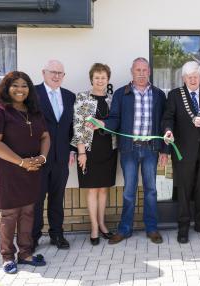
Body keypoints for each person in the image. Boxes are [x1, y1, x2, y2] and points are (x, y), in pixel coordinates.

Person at [91, 57, 169, 244]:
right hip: (129, 149)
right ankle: (125, 229)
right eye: (138, 70)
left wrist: (165, 149)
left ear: (149, 72)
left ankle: (152, 228)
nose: (141, 73)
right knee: (129, 191)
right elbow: (115, 118)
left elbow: (165, 122)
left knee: (151, 190)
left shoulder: (159, 94)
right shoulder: (121, 93)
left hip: (151, 149)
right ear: (132, 72)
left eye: (144, 70)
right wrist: (103, 123)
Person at [0, 71, 49, 274]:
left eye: (24, 86)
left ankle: (26, 254)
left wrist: (42, 158)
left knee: (28, 212)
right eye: (15, 85)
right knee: (10, 214)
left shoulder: (34, 112)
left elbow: (45, 136)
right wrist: (22, 162)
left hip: (31, 169)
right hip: (7, 171)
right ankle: (7, 257)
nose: (20, 89)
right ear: (6, 87)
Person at [162, 61, 200, 244]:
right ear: (183, 78)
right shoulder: (175, 95)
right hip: (183, 151)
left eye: (196, 76)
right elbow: (168, 117)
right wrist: (168, 130)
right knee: (184, 191)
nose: (193, 79)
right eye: (189, 76)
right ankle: (183, 226)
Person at [70, 63, 117, 245]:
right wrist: (81, 152)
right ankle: (94, 228)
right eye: (97, 77)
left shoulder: (112, 99)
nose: (100, 80)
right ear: (92, 79)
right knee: (92, 189)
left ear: (107, 80)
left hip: (109, 148)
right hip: (89, 149)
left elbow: (115, 122)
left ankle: (103, 224)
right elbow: (78, 125)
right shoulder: (82, 97)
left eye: (103, 77)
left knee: (104, 188)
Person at [32, 60, 75, 251]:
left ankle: (57, 234)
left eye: (60, 73)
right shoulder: (32, 94)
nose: (56, 76)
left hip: (61, 157)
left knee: (57, 198)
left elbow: (73, 127)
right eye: (53, 72)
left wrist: (73, 149)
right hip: (39, 156)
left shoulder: (70, 96)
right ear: (44, 73)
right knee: (37, 198)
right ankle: (33, 237)